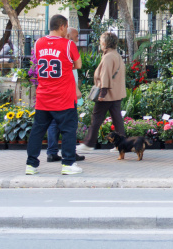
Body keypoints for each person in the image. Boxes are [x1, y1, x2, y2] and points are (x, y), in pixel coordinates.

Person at [25, 14, 83, 175]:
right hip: (64, 96)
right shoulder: (68, 44)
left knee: (37, 131)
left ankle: (31, 165)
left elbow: (37, 62)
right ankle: (68, 164)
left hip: (43, 96)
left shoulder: (38, 43)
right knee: (68, 130)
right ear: (63, 26)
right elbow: (78, 64)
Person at [77, 32, 126, 153]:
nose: (100, 43)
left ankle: (88, 144)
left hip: (107, 94)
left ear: (105, 43)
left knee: (96, 118)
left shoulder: (108, 57)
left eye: (101, 40)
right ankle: (122, 144)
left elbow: (105, 75)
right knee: (117, 120)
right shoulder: (117, 55)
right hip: (116, 93)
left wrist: (102, 93)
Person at [46, 27, 86, 163]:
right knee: (69, 124)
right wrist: (76, 90)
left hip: (53, 92)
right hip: (67, 93)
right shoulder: (68, 47)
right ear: (67, 34)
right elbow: (69, 72)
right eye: (75, 36)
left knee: (53, 123)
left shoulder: (54, 47)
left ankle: (52, 152)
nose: (77, 39)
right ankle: (69, 153)